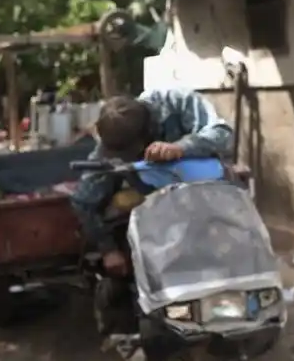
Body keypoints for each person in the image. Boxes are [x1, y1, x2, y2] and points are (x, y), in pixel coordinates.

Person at [70, 88, 234, 277]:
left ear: (148, 133)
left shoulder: (177, 102)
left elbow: (223, 134)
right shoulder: (112, 146)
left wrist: (181, 147)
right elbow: (83, 201)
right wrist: (108, 250)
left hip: (211, 208)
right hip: (160, 233)